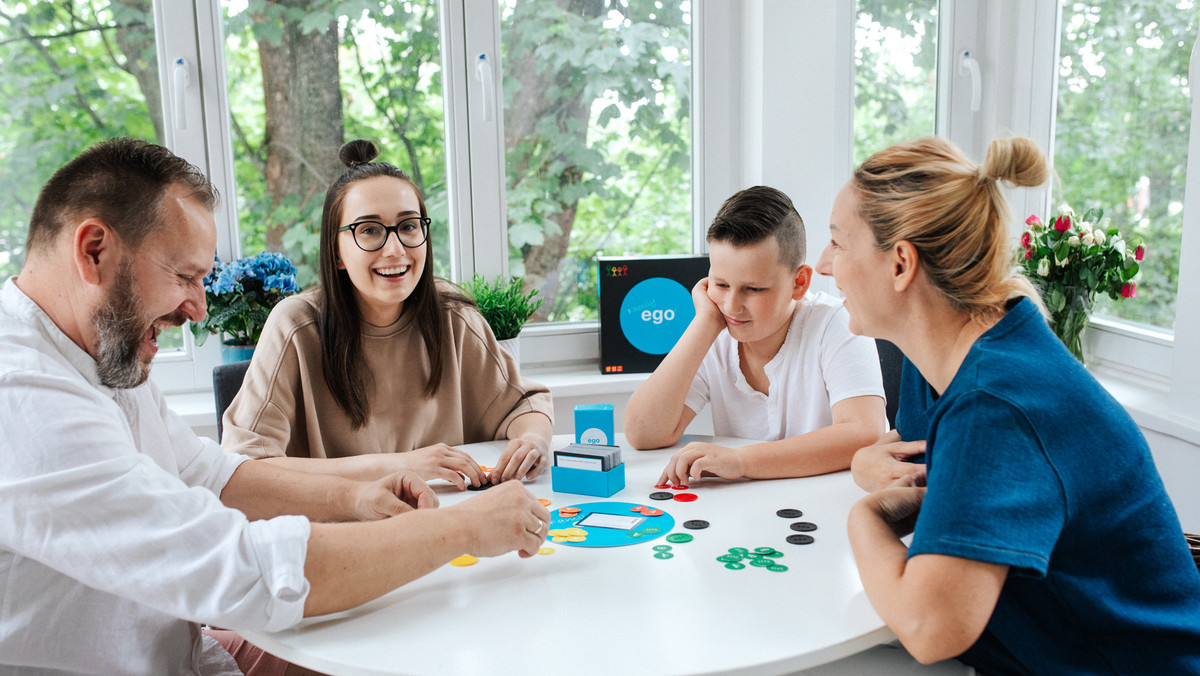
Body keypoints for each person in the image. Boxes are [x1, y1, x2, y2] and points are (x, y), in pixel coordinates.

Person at [0, 138, 551, 675]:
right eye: (185, 276)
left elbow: (210, 474)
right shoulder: (23, 398)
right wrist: (460, 530)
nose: (197, 309)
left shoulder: (100, 352)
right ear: (93, 250)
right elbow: (242, 571)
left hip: (191, 654)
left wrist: (354, 496)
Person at [819, 135, 1200, 673]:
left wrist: (867, 518)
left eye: (838, 243)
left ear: (901, 263)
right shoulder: (960, 358)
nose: (824, 265)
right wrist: (866, 466)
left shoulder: (995, 404)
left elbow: (932, 628)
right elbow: (936, 485)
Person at [221, 139, 553, 487]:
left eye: (409, 226)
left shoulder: (453, 316)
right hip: (342, 531)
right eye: (369, 230)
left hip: (447, 520)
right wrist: (399, 466)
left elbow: (524, 406)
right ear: (335, 253)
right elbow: (244, 467)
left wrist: (532, 441)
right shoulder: (294, 327)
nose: (395, 250)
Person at [623, 186, 887, 486]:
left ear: (798, 283)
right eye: (721, 284)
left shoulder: (836, 321)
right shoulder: (716, 327)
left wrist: (741, 461)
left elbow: (865, 432)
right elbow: (643, 432)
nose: (731, 305)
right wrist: (704, 323)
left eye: (753, 289)